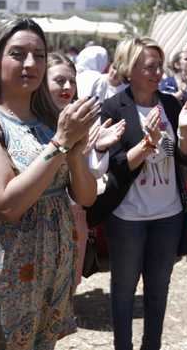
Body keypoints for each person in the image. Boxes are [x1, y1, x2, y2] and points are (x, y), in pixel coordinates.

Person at [0, 18, 98, 349]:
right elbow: (8, 203)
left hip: (52, 270)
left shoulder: (50, 120)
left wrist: (73, 150)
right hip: (3, 278)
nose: (30, 63)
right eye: (17, 54)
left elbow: (86, 196)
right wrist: (61, 143)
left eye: (39, 55)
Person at [89, 37, 187, 350]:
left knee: (158, 290)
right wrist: (147, 144)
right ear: (129, 68)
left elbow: (179, 156)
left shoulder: (171, 104)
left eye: (158, 66)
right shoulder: (112, 108)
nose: (156, 72)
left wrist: (186, 136)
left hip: (169, 214)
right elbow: (114, 166)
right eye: (148, 66)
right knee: (123, 291)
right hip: (128, 216)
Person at [45, 52, 125, 285]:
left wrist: (98, 149)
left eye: (71, 81)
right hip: (39, 219)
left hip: (74, 216)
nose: (68, 86)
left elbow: (92, 177)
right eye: (59, 81)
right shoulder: (30, 121)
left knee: (68, 287)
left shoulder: (82, 119)